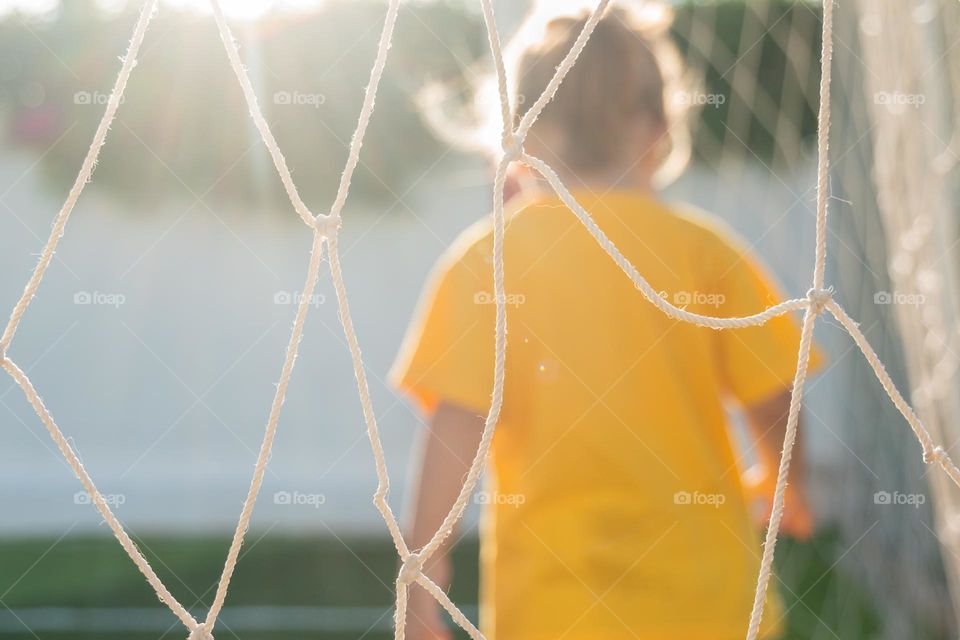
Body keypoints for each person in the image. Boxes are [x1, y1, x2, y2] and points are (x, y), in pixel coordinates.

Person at [390, 3, 822, 639]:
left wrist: (423, 572)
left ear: (517, 133)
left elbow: (454, 429)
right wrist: (788, 484)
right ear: (662, 129)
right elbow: (775, 398)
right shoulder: (708, 253)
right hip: (710, 607)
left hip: (555, 612)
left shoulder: (487, 265)